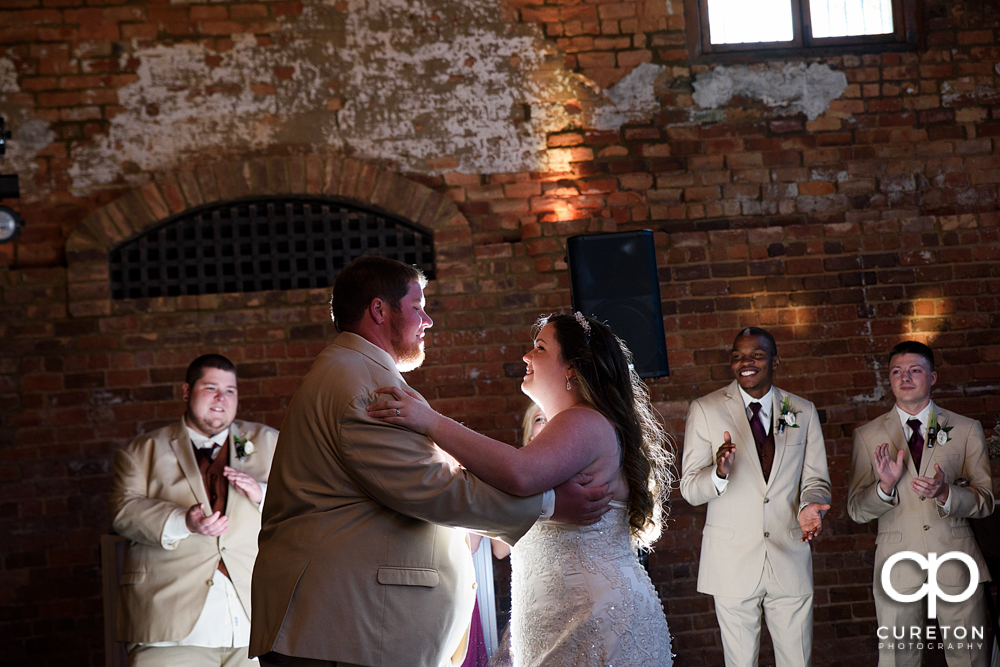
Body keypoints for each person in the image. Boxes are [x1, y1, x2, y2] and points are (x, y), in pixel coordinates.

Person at [249, 257, 610, 667]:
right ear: (379, 310)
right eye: (418, 306)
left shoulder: (354, 373)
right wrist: (550, 505)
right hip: (339, 629)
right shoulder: (362, 387)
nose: (429, 320)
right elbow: (431, 488)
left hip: (344, 627)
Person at [370, 312, 675, 666]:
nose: (527, 356)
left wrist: (431, 421)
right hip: (561, 618)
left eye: (540, 348)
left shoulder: (586, 420)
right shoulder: (566, 430)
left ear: (572, 367)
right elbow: (504, 495)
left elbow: (518, 475)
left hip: (595, 620)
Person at [109, 354, 278, 667]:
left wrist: (261, 494)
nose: (221, 399)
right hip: (168, 629)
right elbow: (122, 511)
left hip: (254, 625)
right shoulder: (142, 451)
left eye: (230, 390)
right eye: (211, 387)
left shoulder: (270, 443)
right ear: (186, 391)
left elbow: (304, 506)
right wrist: (182, 521)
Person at [679, 327, 831, 667]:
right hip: (731, 562)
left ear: (775, 361)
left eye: (756, 355)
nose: (745, 362)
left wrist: (810, 504)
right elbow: (689, 488)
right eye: (737, 356)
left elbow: (817, 479)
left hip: (789, 554)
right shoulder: (706, 410)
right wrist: (718, 473)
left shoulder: (803, 411)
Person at [847, 340, 993, 667]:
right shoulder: (867, 435)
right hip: (896, 565)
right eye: (897, 371)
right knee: (897, 659)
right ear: (889, 379)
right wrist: (884, 486)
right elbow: (856, 510)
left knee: (969, 657)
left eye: (915, 370)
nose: (905, 377)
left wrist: (946, 494)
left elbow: (984, 501)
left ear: (933, 377)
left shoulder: (966, 429)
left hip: (956, 561)